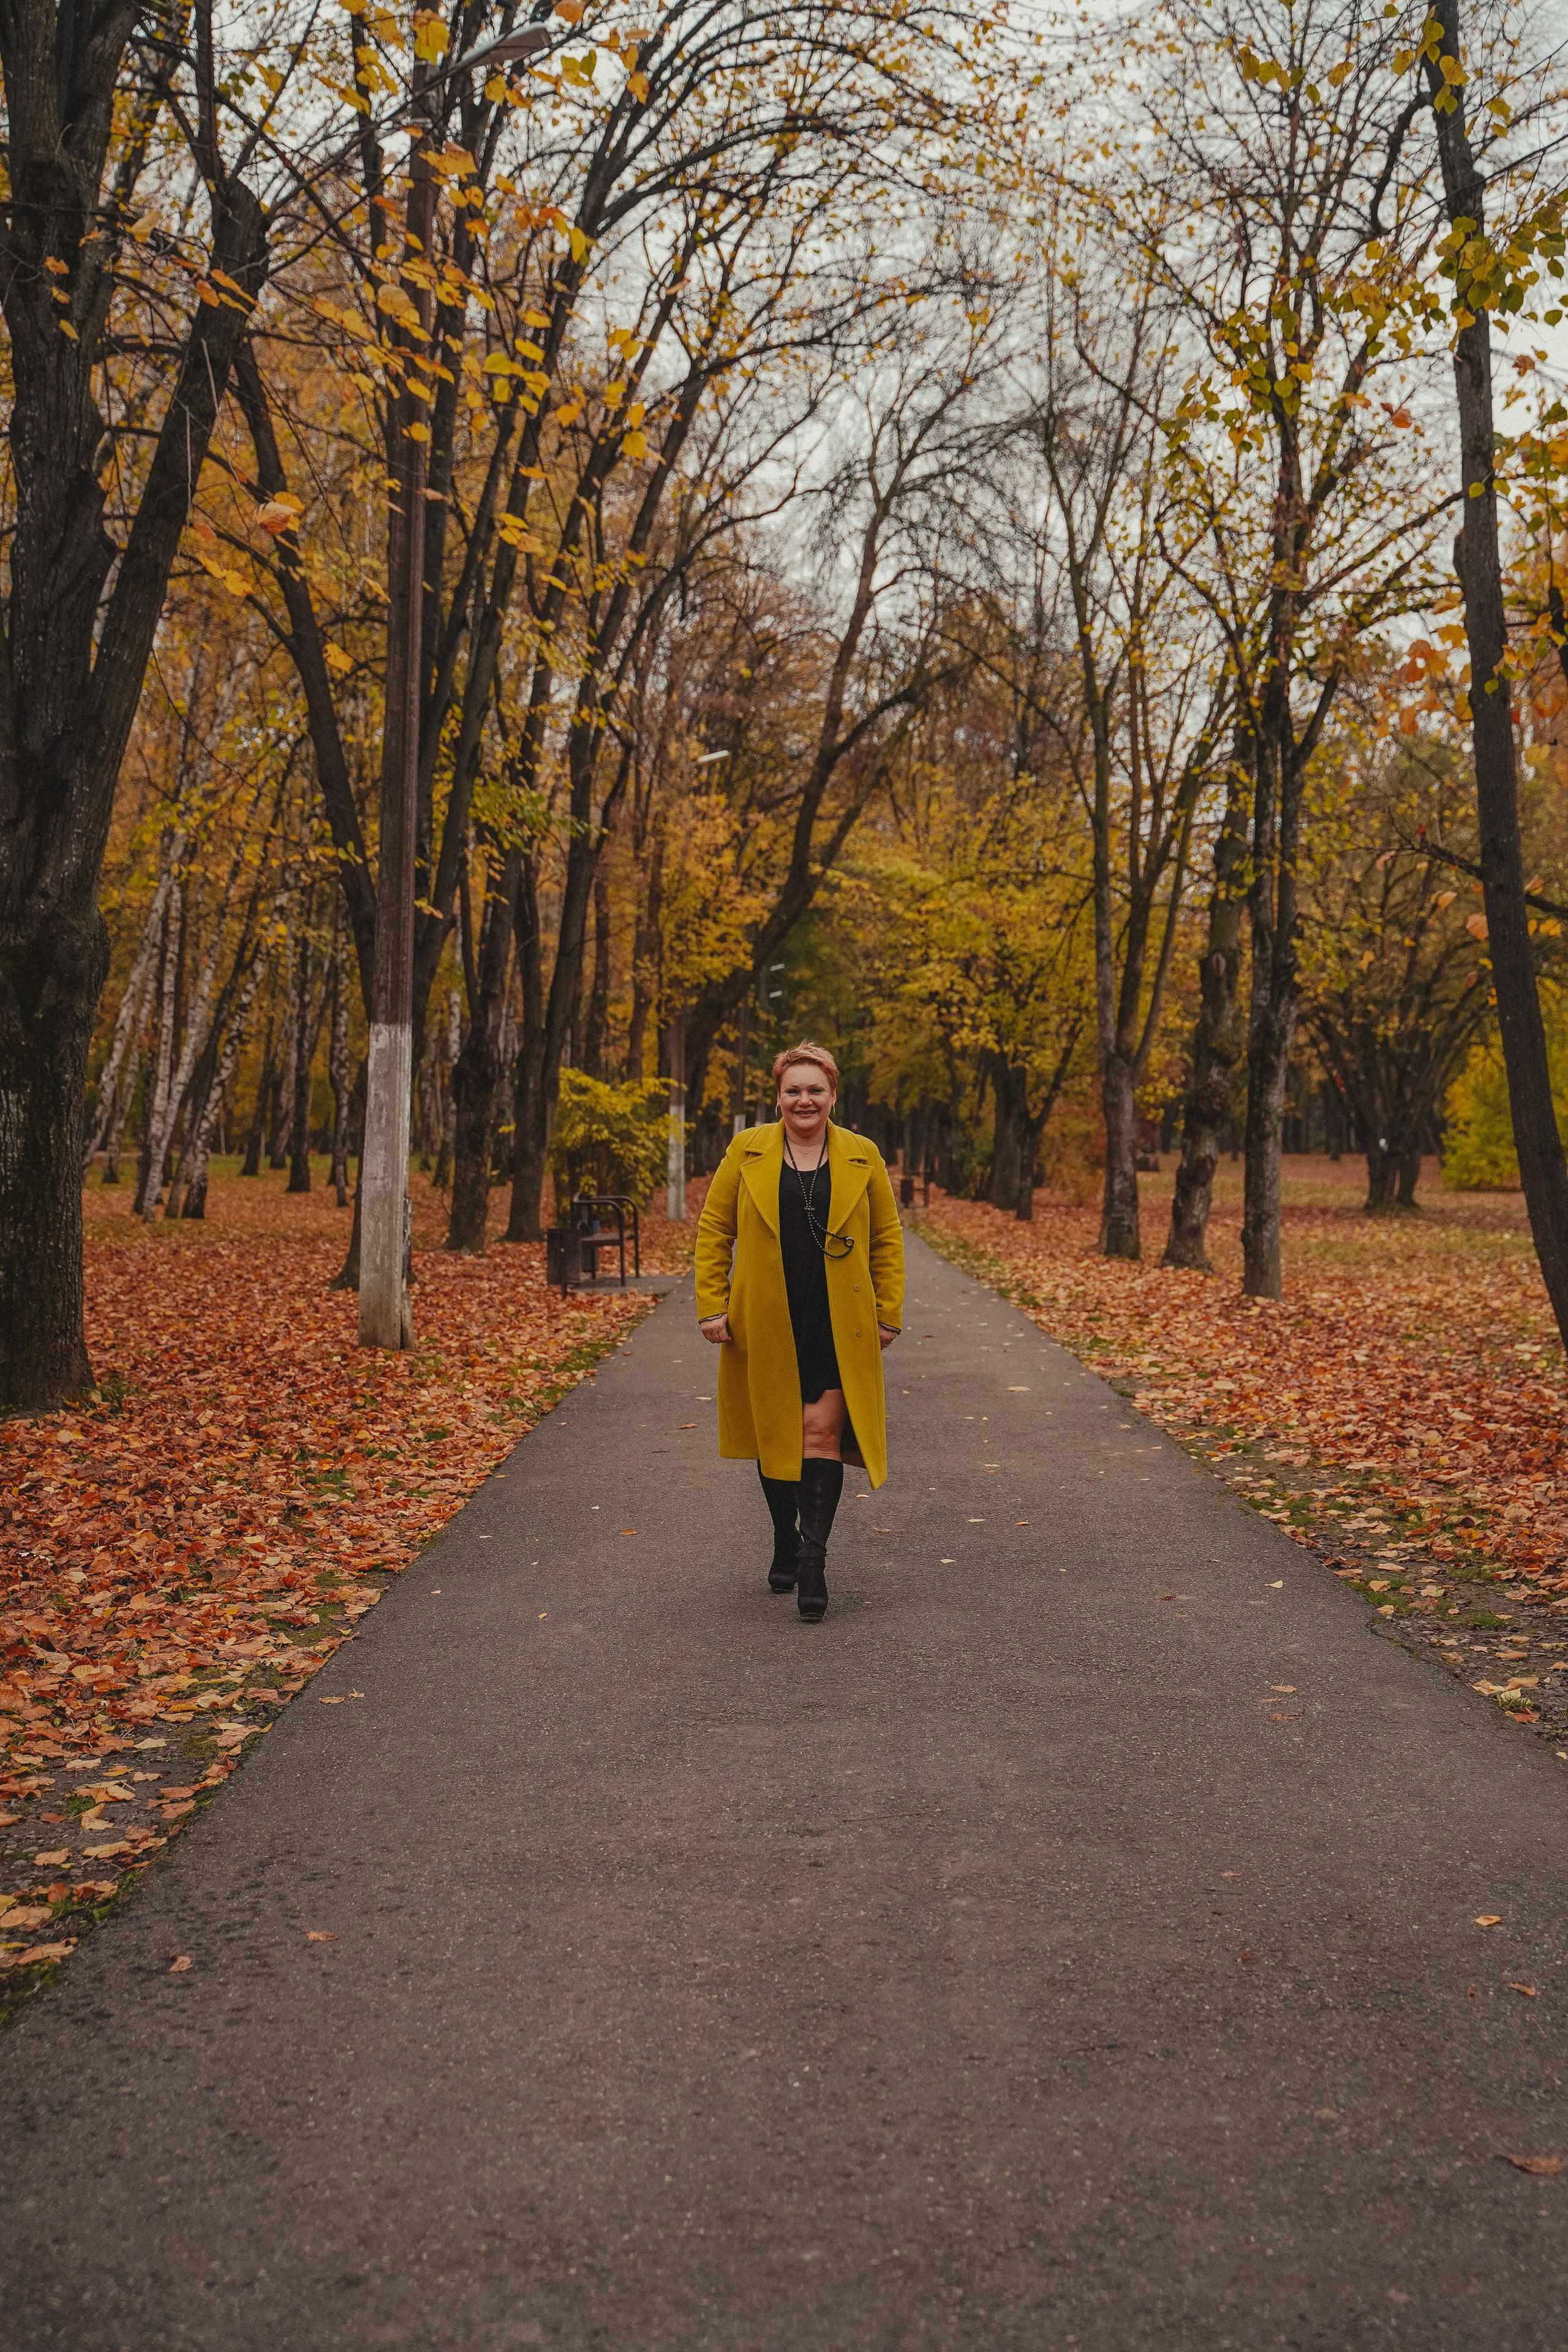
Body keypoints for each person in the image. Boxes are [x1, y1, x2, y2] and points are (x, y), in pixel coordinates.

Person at [694, 1042, 905, 1621]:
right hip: (765, 1316)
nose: (804, 1100)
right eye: (794, 1090)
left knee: (821, 1435)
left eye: (815, 1090)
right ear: (779, 1097)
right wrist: (712, 1305)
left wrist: (888, 1312)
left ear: (833, 1095)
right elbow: (715, 1229)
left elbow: (886, 1238)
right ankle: (784, 1535)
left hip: (838, 1319)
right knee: (776, 1435)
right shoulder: (747, 1149)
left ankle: (813, 1558)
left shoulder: (862, 1154)